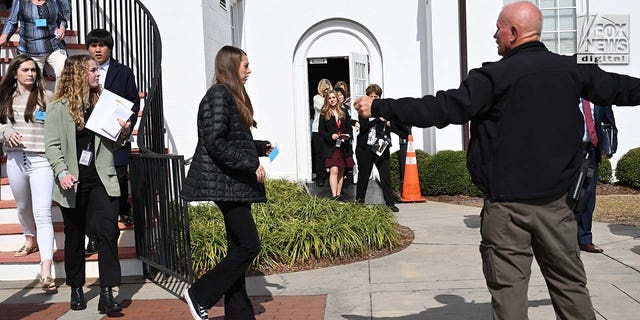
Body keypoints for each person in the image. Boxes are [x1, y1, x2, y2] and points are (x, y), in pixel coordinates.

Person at [354, 2, 640, 319]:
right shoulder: (571, 70)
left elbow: (441, 109)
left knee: (509, 297)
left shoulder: (493, 77)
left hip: (506, 213)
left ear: (514, 32)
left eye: (498, 28)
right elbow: (621, 88)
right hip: (557, 209)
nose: (494, 35)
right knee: (571, 290)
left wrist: (380, 107)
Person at [181, 45, 272, 320]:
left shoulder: (228, 96)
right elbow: (215, 142)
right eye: (245, 65)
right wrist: (250, 164)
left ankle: (240, 314)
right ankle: (199, 294)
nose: (249, 70)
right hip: (226, 183)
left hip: (231, 183)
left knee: (238, 247)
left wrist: (257, 147)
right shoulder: (218, 95)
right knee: (249, 245)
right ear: (232, 67)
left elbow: (228, 138)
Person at [44, 55, 131, 314]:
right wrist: (61, 173)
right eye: (92, 70)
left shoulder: (104, 103)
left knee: (107, 232)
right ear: (79, 74)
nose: (97, 74)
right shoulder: (58, 106)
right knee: (74, 236)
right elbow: (52, 146)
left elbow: (114, 143)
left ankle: (107, 292)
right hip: (73, 182)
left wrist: (123, 132)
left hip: (102, 179)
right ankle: (76, 287)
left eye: (96, 70)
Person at [0, 55, 56, 292]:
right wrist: (5, 131)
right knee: (23, 207)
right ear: (15, 73)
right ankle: (29, 238)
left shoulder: (47, 97)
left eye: (34, 70)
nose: (31, 74)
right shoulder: (4, 98)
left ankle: (46, 267)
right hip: (15, 159)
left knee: (42, 212)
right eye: (25, 70)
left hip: (41, 160)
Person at [83, 28, 140, 255]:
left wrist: (124, 126)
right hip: (88, 139)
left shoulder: (123, 72)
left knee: (117, 179)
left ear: (110, 47)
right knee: (89, 188)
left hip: (116, 135)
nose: (97, 49)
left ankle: (120, 215)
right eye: (93, 45)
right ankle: (93, 236)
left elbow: (133, 102)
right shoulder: (82, 71)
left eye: (102, 45)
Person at [355, 84, 407, 212]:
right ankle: (359, 201)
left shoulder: (386, 111)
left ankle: (389, 202)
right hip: (365, 148)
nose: (373, 98)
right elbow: (364, 127)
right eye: (371, 96)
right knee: (364, 175)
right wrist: (378, 119)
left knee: (385, 176)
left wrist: (390, 122)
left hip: (381, 147)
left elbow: (398, 129)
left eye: (376, 96)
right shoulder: (363, 110)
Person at [576, 98, 617, 253]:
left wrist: (610, 145)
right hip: (569, 151)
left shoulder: (598, 94)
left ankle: (585, 239)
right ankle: (565, 239)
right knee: (567, 195)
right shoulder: (568, 89)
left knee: (588, 195)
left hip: (591, 150)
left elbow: (609, 120)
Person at [0, 0, 71, 82]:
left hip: (54, 46)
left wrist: (62, 28)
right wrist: (4, 35)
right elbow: (12, 21)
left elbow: (62, 19)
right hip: (30, 49)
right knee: (34, 82)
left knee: (66, 73)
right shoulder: (20, 1)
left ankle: (61, 94)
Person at [318, 89, 354, 200]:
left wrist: (347, 135)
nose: (332, 100)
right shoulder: (324, 113)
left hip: (343, 146)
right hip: (331, 146)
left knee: (341, 170)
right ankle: (334, 196)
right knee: (334, 170)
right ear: (326, 100)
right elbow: (321, 131)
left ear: (337, 99)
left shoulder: (343, 112)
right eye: (329, 98)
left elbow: (349, 127)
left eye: (333, 97)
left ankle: (338, 195)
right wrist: (331, 136)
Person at [311, 79, 332, 186]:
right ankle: (320, 176)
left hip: (329, 129)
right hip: (317, 129)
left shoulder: (331, 98)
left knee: (328, 153)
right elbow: (324, 108)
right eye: (324, 88)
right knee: (319, 153)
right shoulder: (317, 98)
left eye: (328, 88)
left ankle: (330, 175)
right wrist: (329, 98)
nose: (326, 90)